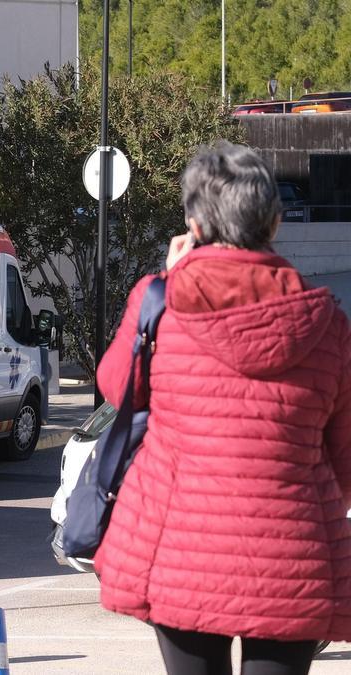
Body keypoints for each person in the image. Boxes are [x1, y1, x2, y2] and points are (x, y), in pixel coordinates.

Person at [94, 141, 351, 675]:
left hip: (181, 553)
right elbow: (345, 457)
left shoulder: (159, 302)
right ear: (274, 224)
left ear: (193, 221)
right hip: (293, 557)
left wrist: (165, 282)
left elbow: (118, 388)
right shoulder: (325, 323)